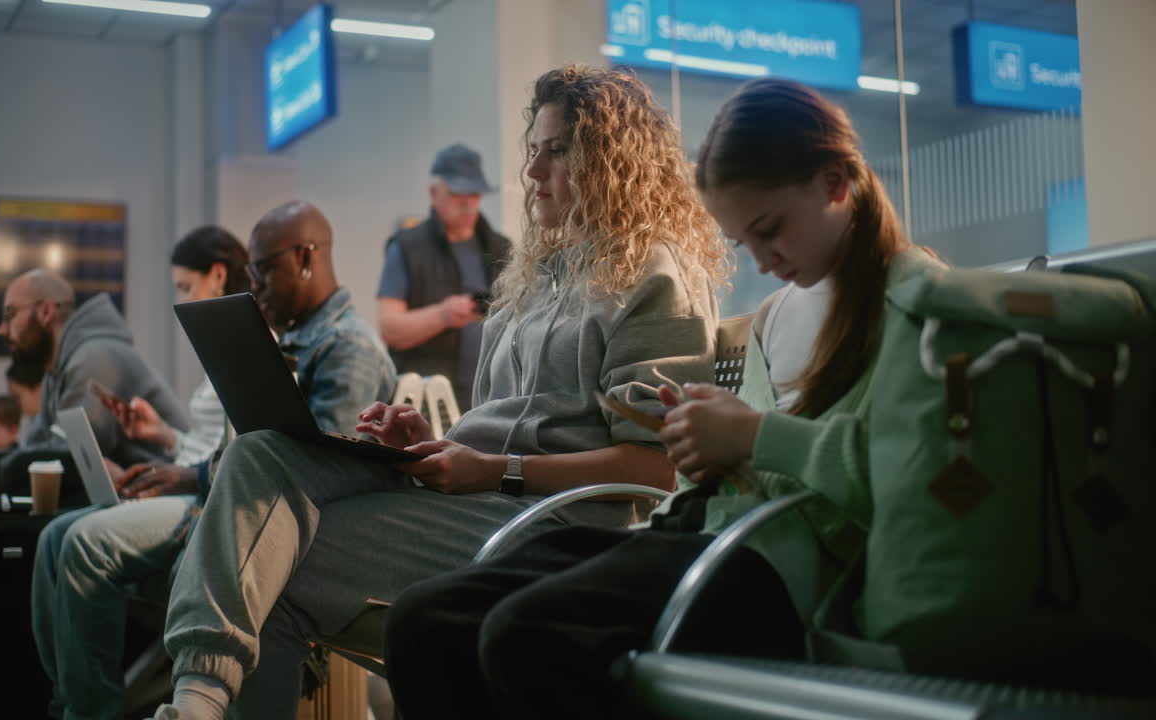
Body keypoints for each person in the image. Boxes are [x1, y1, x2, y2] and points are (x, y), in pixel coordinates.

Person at [152, 64, 728, 720]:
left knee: (265, 566)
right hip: (482, 498)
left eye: (558, 151)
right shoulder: (535, 275)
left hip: (553, 525)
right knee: (260, 453)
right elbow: (496, 422)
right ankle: (194, 706)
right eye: (533, 151)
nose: (533, 171)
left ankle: (191, 708)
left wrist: (497, 469)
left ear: (613, 161)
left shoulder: (655, 276)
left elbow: (656, 467)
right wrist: (433, 443)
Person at [382, 77, 943, 720]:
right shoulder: (781, 311)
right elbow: (756, 469)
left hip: (776, 566)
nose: (761, 260)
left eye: (770, 229)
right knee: (424, 619)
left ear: (835, 184)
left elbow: (907, 481)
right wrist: (709, 446)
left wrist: (752, 439)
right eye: (744, 243)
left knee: (526, 634)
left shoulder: (918, 303)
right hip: (703, 531)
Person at [28, 226, 254, 720]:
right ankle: (68, 697)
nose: (182, 300)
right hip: (190, 473)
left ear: (217, 275)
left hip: (206, 493)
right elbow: (208, 442)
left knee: (82, 541)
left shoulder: (250, 339)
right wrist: (161, 435)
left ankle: (92, 709)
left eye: (185, 287)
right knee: (53, 535)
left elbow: (236, 455)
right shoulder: (222, 338)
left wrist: (181, 470)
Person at [0, 269, 188, 498]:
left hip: (163, 498)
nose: (1, 329)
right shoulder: (57, 371)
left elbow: (69, 461)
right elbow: (39, 450)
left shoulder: (95, 358)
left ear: (45, 312)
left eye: (10, 315)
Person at [376, 143, 512, 411]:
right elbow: (390, 328)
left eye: (474, 193)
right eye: (457, 193)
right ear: (433, 193)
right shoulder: (406, 247)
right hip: (426, 405)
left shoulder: (502, 249)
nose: (467, 203)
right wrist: (443, 315)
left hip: (491, 400)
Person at [7, 359, 45, 444]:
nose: (14, 403)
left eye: (17, 397)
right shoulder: (34, 422)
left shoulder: (49, 427)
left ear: (37, 389)